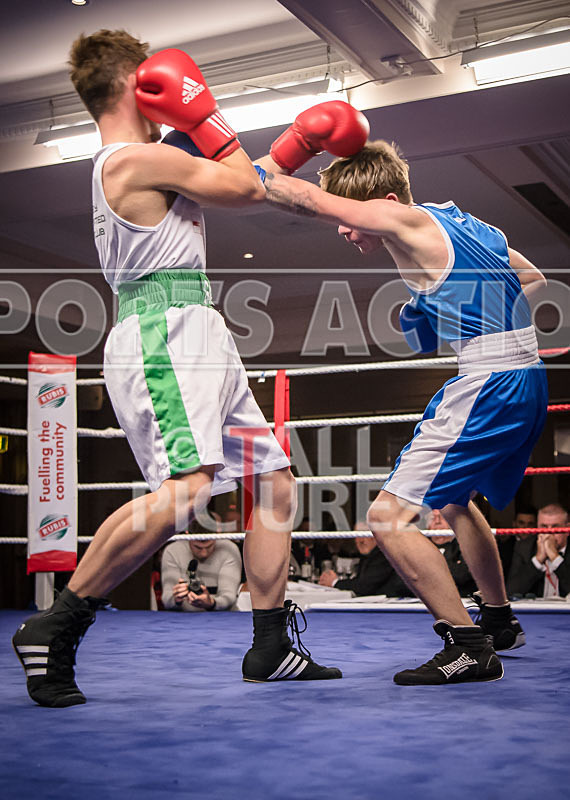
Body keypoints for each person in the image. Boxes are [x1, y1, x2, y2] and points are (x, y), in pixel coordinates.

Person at [12, 31, 368, 706]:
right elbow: (236, 184)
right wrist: (203, 117)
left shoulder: (156, 159)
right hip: (163, 332)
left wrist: (301, 143)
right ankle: (57, 623)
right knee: (187, 490)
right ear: (134, 83)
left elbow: (250, 181)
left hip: (198, 331)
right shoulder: (127, 162)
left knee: (274, 481)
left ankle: (269, 645)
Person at [257, 138, 548, 684]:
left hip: (489, 383)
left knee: (386, 517)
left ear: (388, 202)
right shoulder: (469, 226)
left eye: (355, 217)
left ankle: (468, 647)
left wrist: (256, 165)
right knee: (456, 502)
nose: (345, 230)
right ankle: (500, 620)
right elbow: (530, 278)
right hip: (522, 377)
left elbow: (305, 200)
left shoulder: (408, 223)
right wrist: (487, 323)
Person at [161, 527, 242, 612]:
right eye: (198, 547)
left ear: (217, 534)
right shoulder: (172, 551)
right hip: (183, 618)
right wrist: (176, 600)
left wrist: (211, 603)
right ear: (187, 535)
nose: (204, 553)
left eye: (209, 546)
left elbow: (229, 596)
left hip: (223, 617)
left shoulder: (228, 549)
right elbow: (167, 600)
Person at [319, 521, 409, 597]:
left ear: (376, 536)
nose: (360, 540)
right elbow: (360, 583)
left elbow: (365, 586)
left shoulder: (384, 555)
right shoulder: (367, 556)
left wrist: (335, 582)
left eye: (364, 534)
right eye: (357, 535)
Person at [507, 503, 569, 598]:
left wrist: (555, 557)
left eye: (555, 527)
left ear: (567, 529)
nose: (549, 533)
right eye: (544, 527)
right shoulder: (524, 547)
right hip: (536, 611)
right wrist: (538, 560)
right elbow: (510, 591)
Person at [426, 510, 476, 597]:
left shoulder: (464, 546)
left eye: (443, 517)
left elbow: (461, 576)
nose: (437, 521)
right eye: (432, 518)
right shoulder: (421, 547)